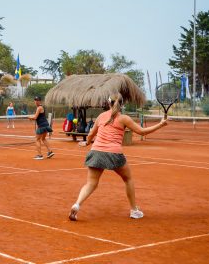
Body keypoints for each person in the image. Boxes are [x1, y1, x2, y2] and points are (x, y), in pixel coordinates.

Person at [68, 93, 168, 221]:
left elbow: (91, 134)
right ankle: (134, 210)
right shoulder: (124, 118)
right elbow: (141, 131)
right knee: (128, 179)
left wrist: (87, 143)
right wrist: (160, 124)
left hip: (96, 151)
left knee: (91, 184)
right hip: (114, 154)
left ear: (108, 103)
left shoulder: (101, 116)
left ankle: (77, 204)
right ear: (122, 104)